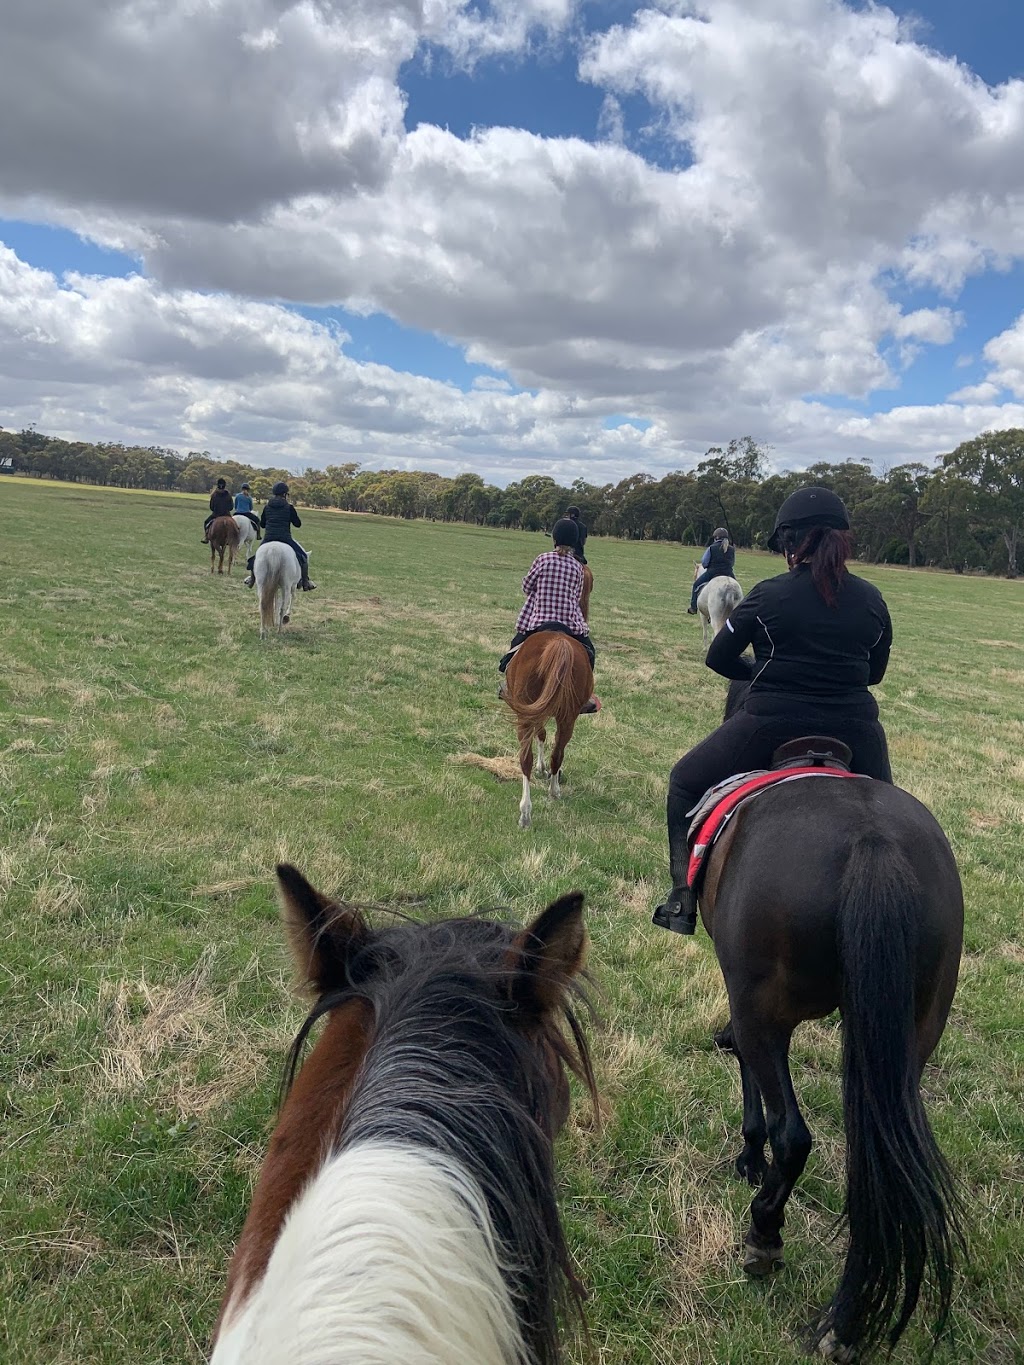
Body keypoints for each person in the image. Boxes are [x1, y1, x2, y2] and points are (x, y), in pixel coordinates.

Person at [654, 487, 893, 935]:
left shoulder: (768, 596)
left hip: (769, 721)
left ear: (792, 543)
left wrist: (760, 667)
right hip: (858, 730)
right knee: (890, 821)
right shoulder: (873, 601)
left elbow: (718, 659)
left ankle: (682, 900)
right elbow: (874, 674)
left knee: (684, 782)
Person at [499, 518, 599, 713]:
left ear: (554, 539)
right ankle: (583, 696)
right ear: (575, 541)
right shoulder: (578, 568)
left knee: (512, 652)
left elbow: (527, 587)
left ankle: (509, 686)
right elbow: (578, 595)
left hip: (539, 621)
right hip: (569, 624)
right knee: (589, 654)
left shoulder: (542, 559)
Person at [243, 481, 316, 591]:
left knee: (257, 556)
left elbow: (262, 524)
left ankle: (252, 578)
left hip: (268, 538)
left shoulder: (267, 507)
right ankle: (305, 581)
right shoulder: (289, 507)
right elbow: (298, 524)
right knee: (303, 557)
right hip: (285, 538)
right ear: (285, 494)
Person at [687, 527, 735, 613]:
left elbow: (704, 563)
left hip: (713, 573)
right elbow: (732, 563)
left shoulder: (711, 548)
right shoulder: (731, 549)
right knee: (736, 589)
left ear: (716, 538)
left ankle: (693, 608)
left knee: (696, 586)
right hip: (728, 574)